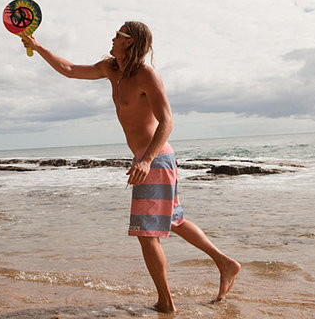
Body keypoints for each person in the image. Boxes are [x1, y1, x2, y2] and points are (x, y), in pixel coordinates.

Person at [21, 21, 241, 313]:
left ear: (131, 42)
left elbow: (167, 121)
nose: (112, 38)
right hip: (152, 160)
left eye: (118, 35)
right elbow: (71, 70)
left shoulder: (145, 74)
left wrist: (146, 159)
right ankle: (225, 263)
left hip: (155, 159)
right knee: (174, 220)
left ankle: (165, 303)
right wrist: (38, 47)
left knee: (145, 234)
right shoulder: (111, 69)